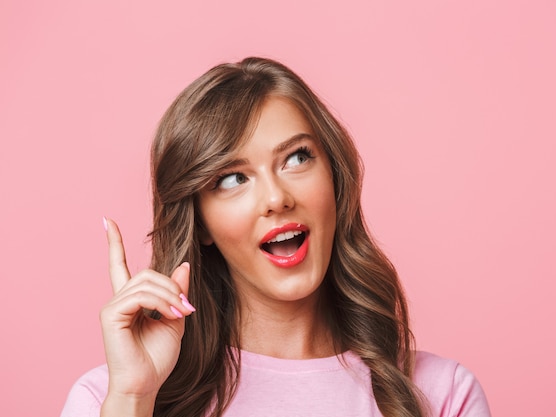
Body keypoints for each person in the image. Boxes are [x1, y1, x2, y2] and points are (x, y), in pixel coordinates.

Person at [61, 57, 491, 417]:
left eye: (297, 157)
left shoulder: (442, 395)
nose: (275, 198)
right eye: (232, 178)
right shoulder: (107, 397)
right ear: (202, 223)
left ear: (335, 180)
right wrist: (134, 397)